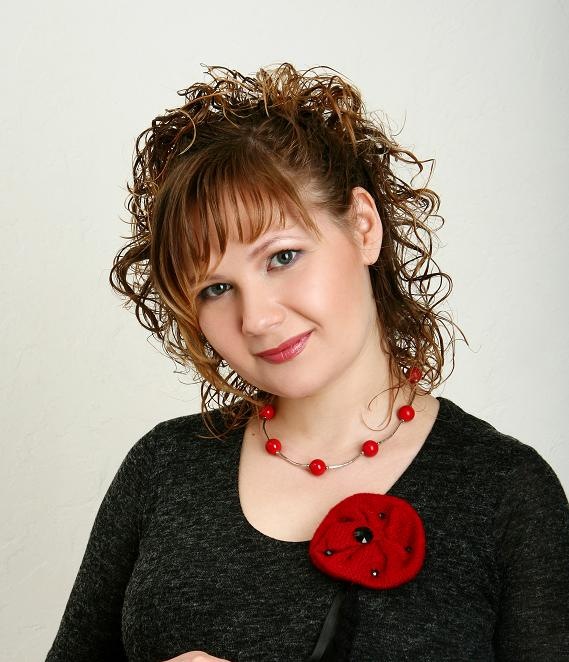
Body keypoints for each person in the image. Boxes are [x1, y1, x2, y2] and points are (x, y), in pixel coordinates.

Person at [45, 63, 569, 662]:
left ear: (363, 227)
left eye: (282, 257)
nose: (256, 318)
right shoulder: (163, 467)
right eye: (216, 288)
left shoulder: (504, 491)